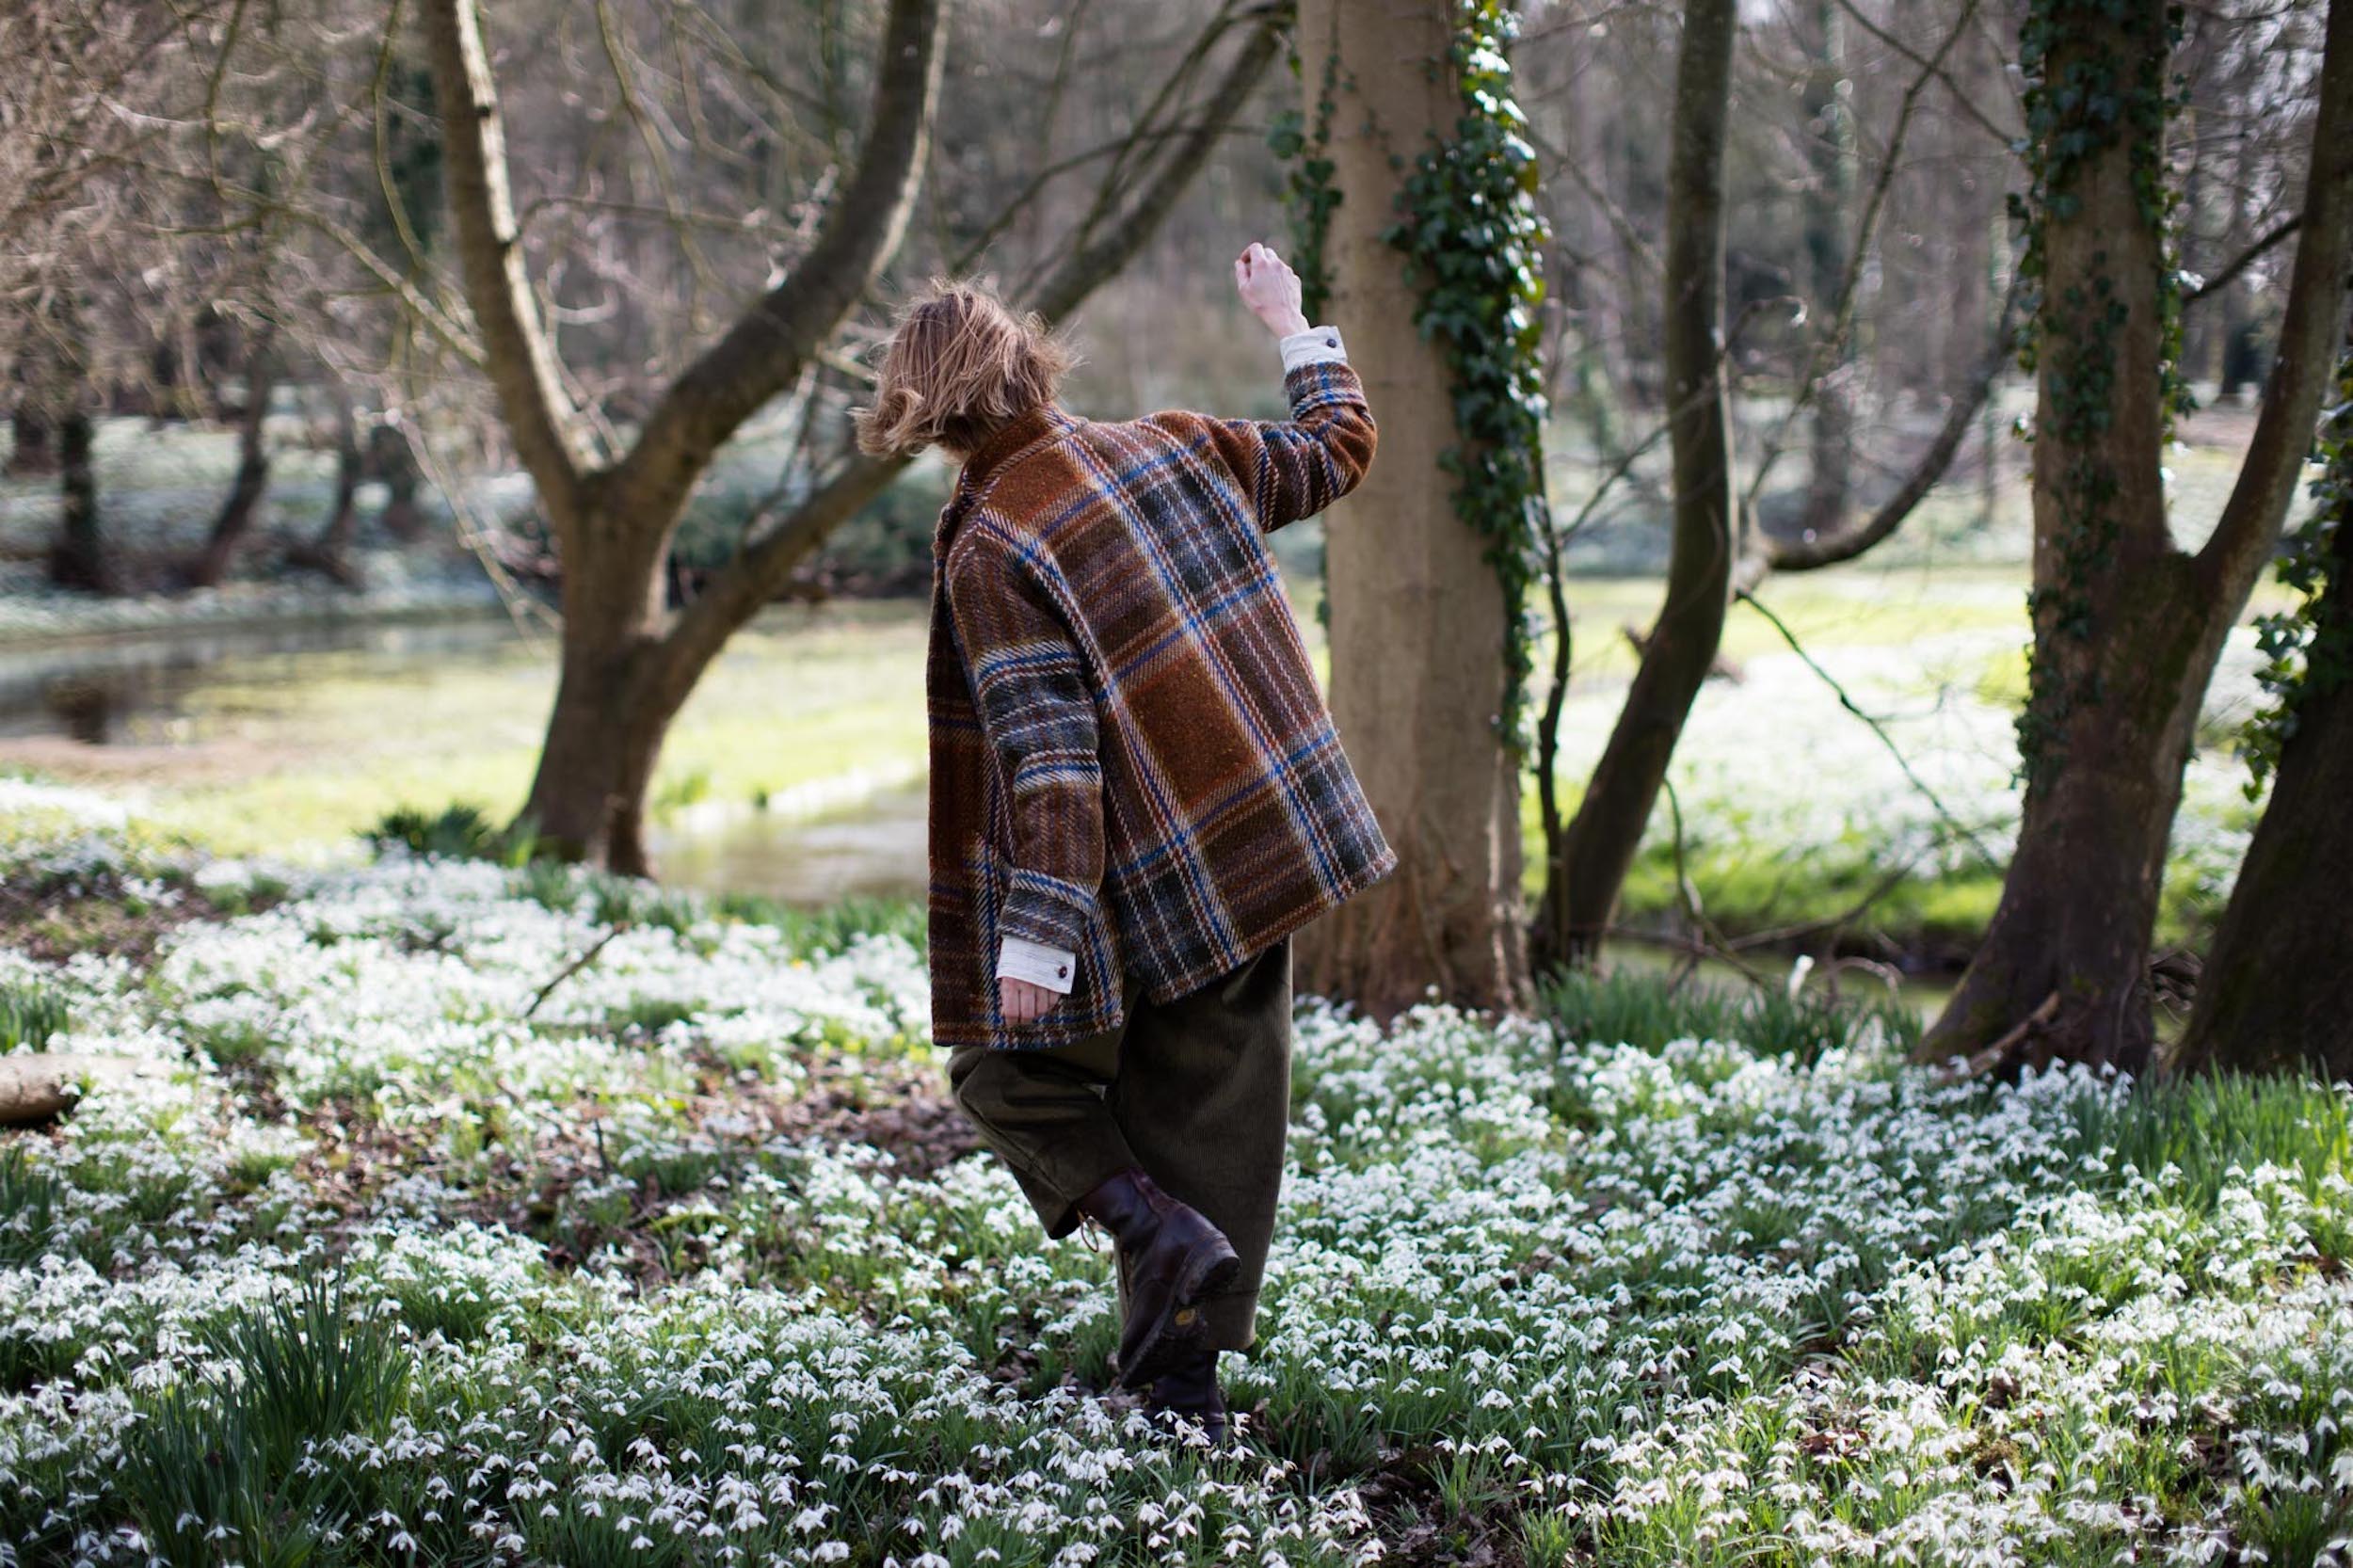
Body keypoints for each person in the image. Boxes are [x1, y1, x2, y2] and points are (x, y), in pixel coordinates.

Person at [854, 243, 1391, 1445]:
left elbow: (1051, 761)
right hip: (1268, 838)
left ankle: (1153, 1245)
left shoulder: (995, 543)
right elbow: (1336, 451)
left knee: (1003, 1072)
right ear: (1033, 370)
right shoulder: (1174, 441)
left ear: (926, 415)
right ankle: (1178, 1395)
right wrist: (1291, 321)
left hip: (1144, 881)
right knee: (1211, 1105)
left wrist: (1035, 947)